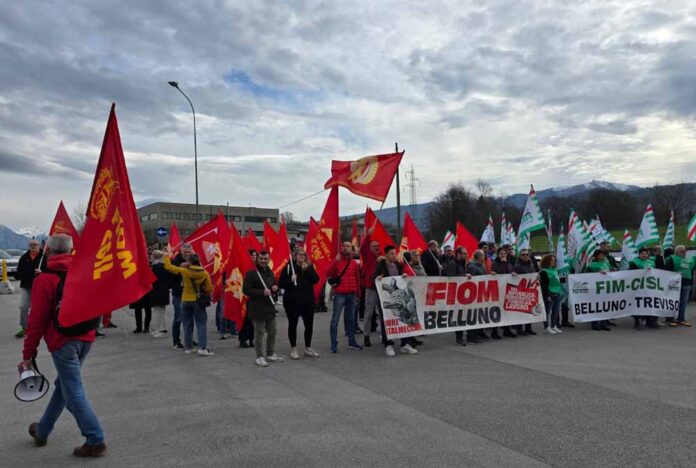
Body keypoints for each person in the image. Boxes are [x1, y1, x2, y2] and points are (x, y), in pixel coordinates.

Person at [21, 234, 106, 457]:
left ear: (47, 251)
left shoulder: (44, 280)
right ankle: (42, 430)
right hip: (86, 337)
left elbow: (36, 320)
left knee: (73, 391)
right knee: (63, 386)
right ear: (71, 250)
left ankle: (95, 438)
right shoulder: (84, 273)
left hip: (62, 341)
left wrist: (28, 353)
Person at [164, 249, 214, 356]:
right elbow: (209, 288)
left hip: (185, 299)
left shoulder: (185, 271)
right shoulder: (204, 272)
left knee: (187, 324)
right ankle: (202, 348)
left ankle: (189, 348)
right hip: (198, 300)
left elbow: (168, 267)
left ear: (189, 262)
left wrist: (167, 256)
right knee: (201, 324)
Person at [373, 245, 419, 357]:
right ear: (386, 255)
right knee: (386, 321)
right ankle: (388, 344)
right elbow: (373, 279)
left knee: (403, 319)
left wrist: (404, 276)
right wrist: (377, 279)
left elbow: (402, 278)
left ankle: (405, 344)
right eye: (391, 254)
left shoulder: (399, 265)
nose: (394, 255)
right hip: (386, 299)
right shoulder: (380, 266)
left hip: (399, 298)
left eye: (395, 253)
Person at [243, 251, 284, 366]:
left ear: (269, 259)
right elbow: (246, 290)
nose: (263, 261)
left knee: (273, 330)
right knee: (259, 333)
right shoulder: (252, 272)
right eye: (261, 258)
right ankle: (259, 356)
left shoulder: (269, 271)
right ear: (257, 259)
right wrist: (262, 292)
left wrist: (275, 288)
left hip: (269, 307)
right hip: (257, 308)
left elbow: (273, 284)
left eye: (265, 259)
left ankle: (270, 354)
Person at [278, 248, 320, 359]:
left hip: (307, 301)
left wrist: (308, 270)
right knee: (293, 324)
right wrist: (290, 280)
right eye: (300, 254)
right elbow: (281, 283)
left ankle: (308, 348)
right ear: (295, 256)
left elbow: (316, 279)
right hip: (292, 302)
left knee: (309, 325)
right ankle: (294, 348)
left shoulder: (309, 266)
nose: (302, 256)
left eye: (304, 255)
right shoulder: (289, 267)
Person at [326, 241, 363, 353]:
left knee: (351, 319)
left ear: (351, 249)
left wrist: (358, 294)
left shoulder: (353, 263)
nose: (346, 248)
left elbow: (357, 279)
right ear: (341, 248)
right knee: (335, 320)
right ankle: (333, 343)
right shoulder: (337, 261)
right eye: (344, 246)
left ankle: (352, 341)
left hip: (351, 294)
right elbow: (327, 273)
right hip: (339, 294)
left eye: (348, 246)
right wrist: (334, 261)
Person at [444, 247, 473, 345]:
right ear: (458, 254)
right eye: (464, 253)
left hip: (461, 293)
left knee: (462, 315)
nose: (466, 255)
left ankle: (462, 335)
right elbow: (451, 278)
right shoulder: (453, 264)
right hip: (455, 294)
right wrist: (464, 276)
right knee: (458, 315)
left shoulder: (462, 264)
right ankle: (459, 337)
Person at [15, 239, 43, 338]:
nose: (34, 246)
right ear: (28, 246)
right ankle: (24, 328)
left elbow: (50, 271)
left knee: (38, 309)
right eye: (31, 245)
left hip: (39, 287)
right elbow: (18, 272)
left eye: (35, 244)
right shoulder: (24, 257)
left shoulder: (44, 257)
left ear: (39, 246)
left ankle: (39, 328)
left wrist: (41, 272)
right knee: (23, 307)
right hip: (26, 286)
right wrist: (25, 274)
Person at [170, 243, 194, 350]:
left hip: (190, 294)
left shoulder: (194, 260)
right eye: (185, 252)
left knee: (190, 319)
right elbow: (172, 275)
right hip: (178, 295)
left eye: (189, 252)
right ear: (181, 251)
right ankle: (176, 341)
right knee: (178, 318)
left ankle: (189, 339)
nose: (187, 254)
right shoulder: (175, 261)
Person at [666, 246, 696, 327]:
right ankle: (670, 319)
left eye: (685, 251)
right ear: (676, 252)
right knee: (672, 302)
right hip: (674, 284)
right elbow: (666, 270)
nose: (684, 252)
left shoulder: (689, 260)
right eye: (682, 251)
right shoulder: (671, 258)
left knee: (683, 302)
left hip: (686, 284)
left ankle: (681, 319)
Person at [360, 232, 381, 347]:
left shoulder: (383, 257)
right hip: (371, 288)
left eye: (378, 246)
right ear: (370, 248)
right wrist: (368, 235)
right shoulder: (367, 255)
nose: (376, 247)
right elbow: (362, 247)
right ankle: (366, 336)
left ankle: (385, 335)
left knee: (383, 313)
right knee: (368, 313)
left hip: (382, 289)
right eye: (374, 246)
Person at [629, 248, 658, 330]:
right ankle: (637, 321)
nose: (644, 255)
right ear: (639, 255)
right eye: (642, 253)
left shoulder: (651, 262)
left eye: (645, 253)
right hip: (638, 286)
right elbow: (632, 273)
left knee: (648, 303)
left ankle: (649, 320)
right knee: (638, 303)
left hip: (649, 286)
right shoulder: (634, 262)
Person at [149, 250, 175, 338]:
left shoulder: (155, 266)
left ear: (154, 256)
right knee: (161, 310)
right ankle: (163, 328)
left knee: (158, 311)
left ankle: (159, 329)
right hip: (163, 290)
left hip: (157, 290)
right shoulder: (164, 265)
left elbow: (153, 280)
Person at [491, 247, 517, 338]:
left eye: (504, 254)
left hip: (507, 289)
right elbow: (499, 273)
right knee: (497, 311)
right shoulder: (494, 264)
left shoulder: (509, 263)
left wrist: (513, 273)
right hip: (497, 290)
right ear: (498, 255)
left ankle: (506, 329)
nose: (503, 255)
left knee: (506, 311)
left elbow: (510, 272)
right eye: (501, 254)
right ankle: (494, 331)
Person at [585, 250, 612, 331]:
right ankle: (595, 324)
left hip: (606, 287)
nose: (603, 256)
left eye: (603, 254)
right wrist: (598, 273)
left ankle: (603, 323)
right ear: (596, 256)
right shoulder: (591, 265)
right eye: (601, 255)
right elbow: (587, 276)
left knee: (604, 306)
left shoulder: (606, 263)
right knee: (596, 306)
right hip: (596, 288)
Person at [513, 249, 538, 336]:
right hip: (521, 291)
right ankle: (519, 329)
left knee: (530, 310)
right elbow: (512, 277)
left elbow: (534, 275)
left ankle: (528, 328)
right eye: (523, 255)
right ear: (520, 256)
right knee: (521, 311)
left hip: (530, 291)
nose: (525, 256)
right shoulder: (517, 266)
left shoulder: (531, 265)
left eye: (527, 254)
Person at [539, 254, 563, 335]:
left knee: (556, 310)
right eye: (552, 260)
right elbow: (543, 285)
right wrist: (547, 295)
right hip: (549, 293)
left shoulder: (555, 270)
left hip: (557, 292)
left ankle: (553, 325)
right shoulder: (544, 271)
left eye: (554, 260)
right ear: (547, 261)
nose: (554, 262)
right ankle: (546, 326)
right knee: (547, 311)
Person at [239, 249, 258, 348]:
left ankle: (251, 339)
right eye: (251, 255)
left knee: (252, 320)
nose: (253, 257)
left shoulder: (258, 267)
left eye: (255, 255)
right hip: (243, 296)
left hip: (254, 298)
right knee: (243, 319)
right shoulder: (243, 266)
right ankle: (242, 340)